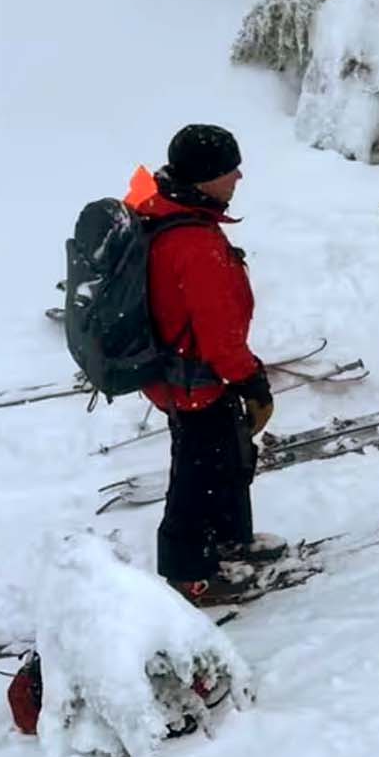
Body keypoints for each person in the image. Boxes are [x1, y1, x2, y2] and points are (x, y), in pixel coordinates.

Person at [126, 124, 280, 606]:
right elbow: (218, 331)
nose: (238, 176)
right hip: (195, 379)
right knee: (198, 478)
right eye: (227, 169)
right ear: (203, 177)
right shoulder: (191, 241)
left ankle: (231, 544)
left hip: (186, 374)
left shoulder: (170, 214)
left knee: (227, 460)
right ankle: (188, 574)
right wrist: (252, 381)